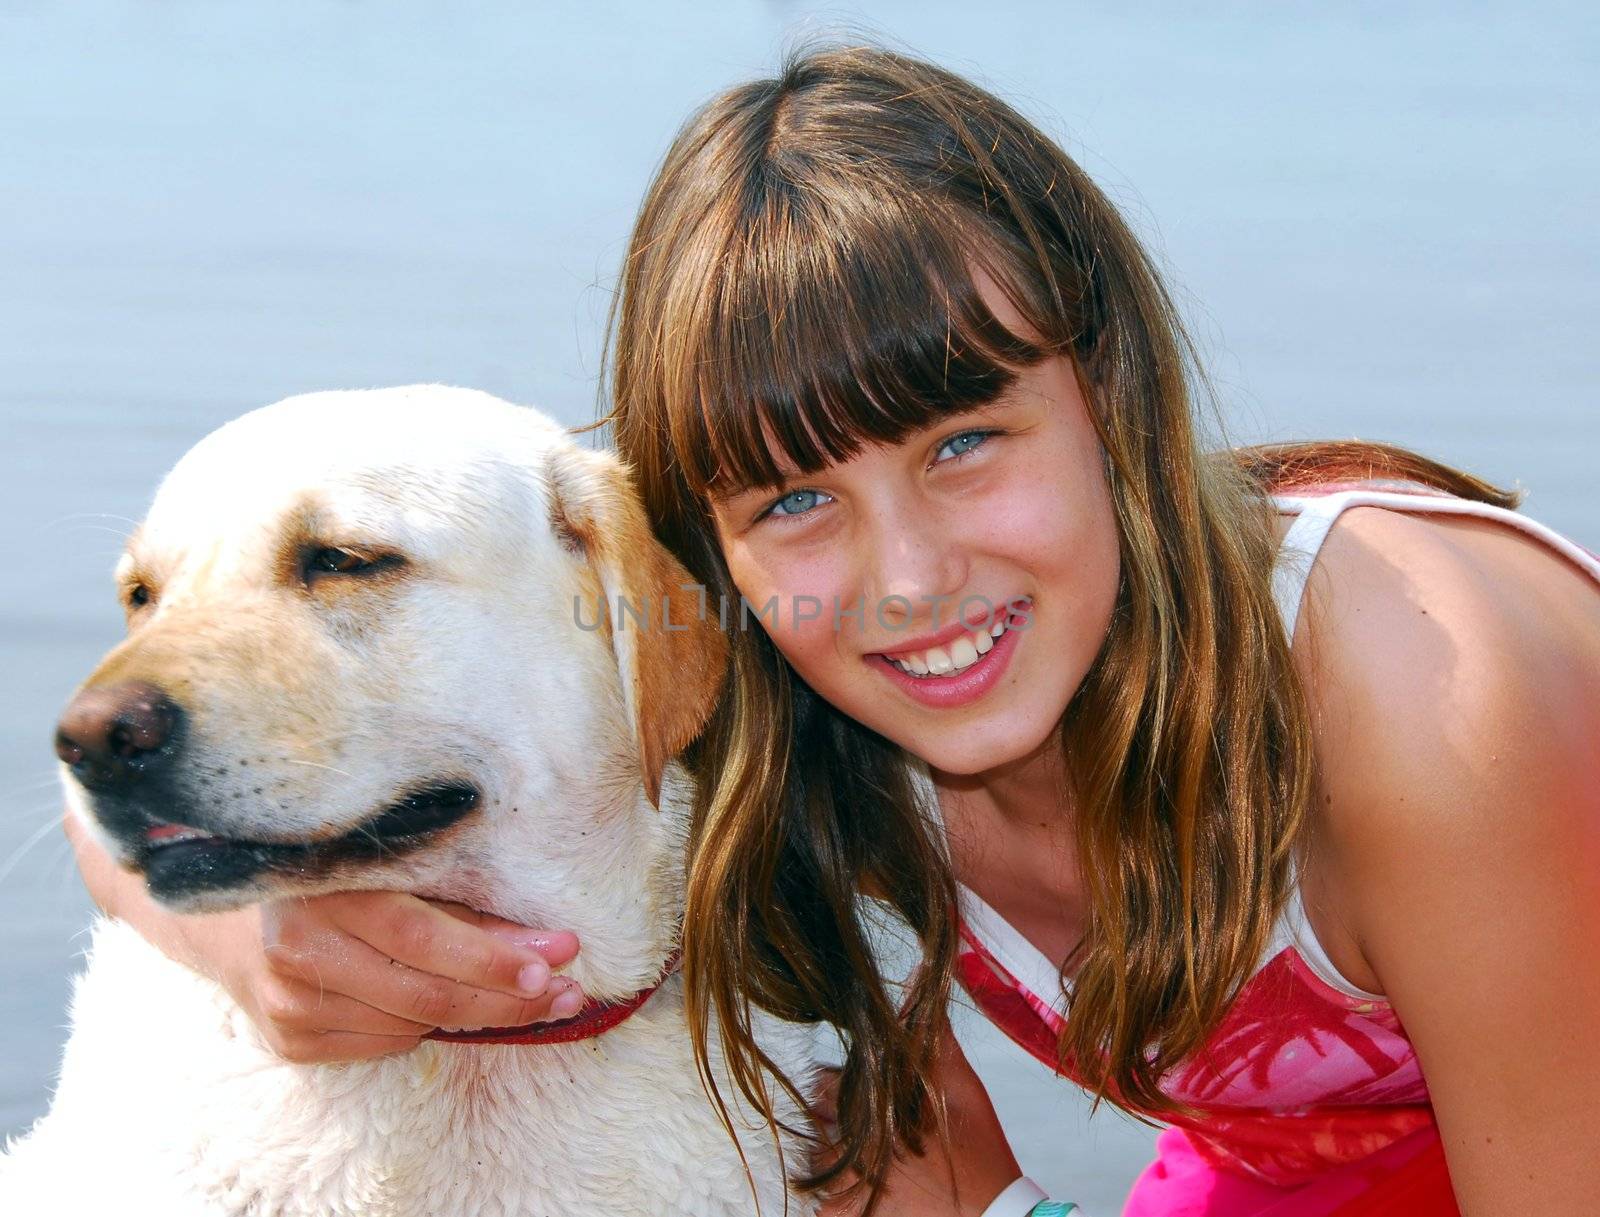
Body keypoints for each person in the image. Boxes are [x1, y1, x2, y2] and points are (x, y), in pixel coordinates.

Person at [67, 43, 1600, 1217]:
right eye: (792, 495)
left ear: (1113, 392)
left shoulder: (1432, 688)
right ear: (705, 551)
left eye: (963, 443)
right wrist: (253, 942)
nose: (908, 580)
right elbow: (123, 798)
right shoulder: (765, 657)